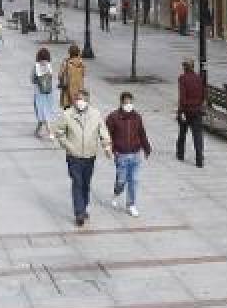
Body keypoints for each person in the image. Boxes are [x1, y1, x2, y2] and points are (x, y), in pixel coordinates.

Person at [50, 88, 112, 226]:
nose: (80, 102)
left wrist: (107, 146)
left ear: (88, 101)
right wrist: (68, 145)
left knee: (86, 183)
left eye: (83, 99)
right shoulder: (67, 115)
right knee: (77, 183)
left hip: (90, 155)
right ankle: (79, 212)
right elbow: (59, 132)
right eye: (78, 99)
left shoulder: (95, 114)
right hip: (74, 156)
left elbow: (103, 132)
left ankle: (84, 206)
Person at [105, 91, 151, 217]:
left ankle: (131, 205)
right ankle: (116, 193)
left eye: (130, 103)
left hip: (135, 154)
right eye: (126, 103)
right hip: (121, 155)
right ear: (121, 103)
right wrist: (110, 148)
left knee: (134, 180)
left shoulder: (137, 117)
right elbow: (106, 134)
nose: (128, 105)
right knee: (121, 180)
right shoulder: (113, 117)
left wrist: (147, 148)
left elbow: (142, 133)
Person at [176, 59, 205, 167]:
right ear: (193, 67)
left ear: (185, 67)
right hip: (197, 110)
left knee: (183, 132)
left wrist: (180, 111)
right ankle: (199, 159)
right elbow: (202, 95)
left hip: (186, 110)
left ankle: (180, 154)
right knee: (197, 135)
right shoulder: (199, 78)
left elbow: (182, 97)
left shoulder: (182, 79)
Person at [31, 47, 56, 138]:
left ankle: (50, 132)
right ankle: (38, 131)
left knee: (42, 112)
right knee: (46, 112)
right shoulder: (49, 66)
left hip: (38, 92)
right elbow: (51, 77)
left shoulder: (36, 66)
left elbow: (32, 80)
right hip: (49, 92)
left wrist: (39, 80)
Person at [58, 43, 86, 109]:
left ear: (69, 53)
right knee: (77, 107)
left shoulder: (66, 62)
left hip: (67, 88)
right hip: (78, 89)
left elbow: (60, 75)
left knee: (67, 109)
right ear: (78, 53)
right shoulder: (81, 63)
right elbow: (83, 75)